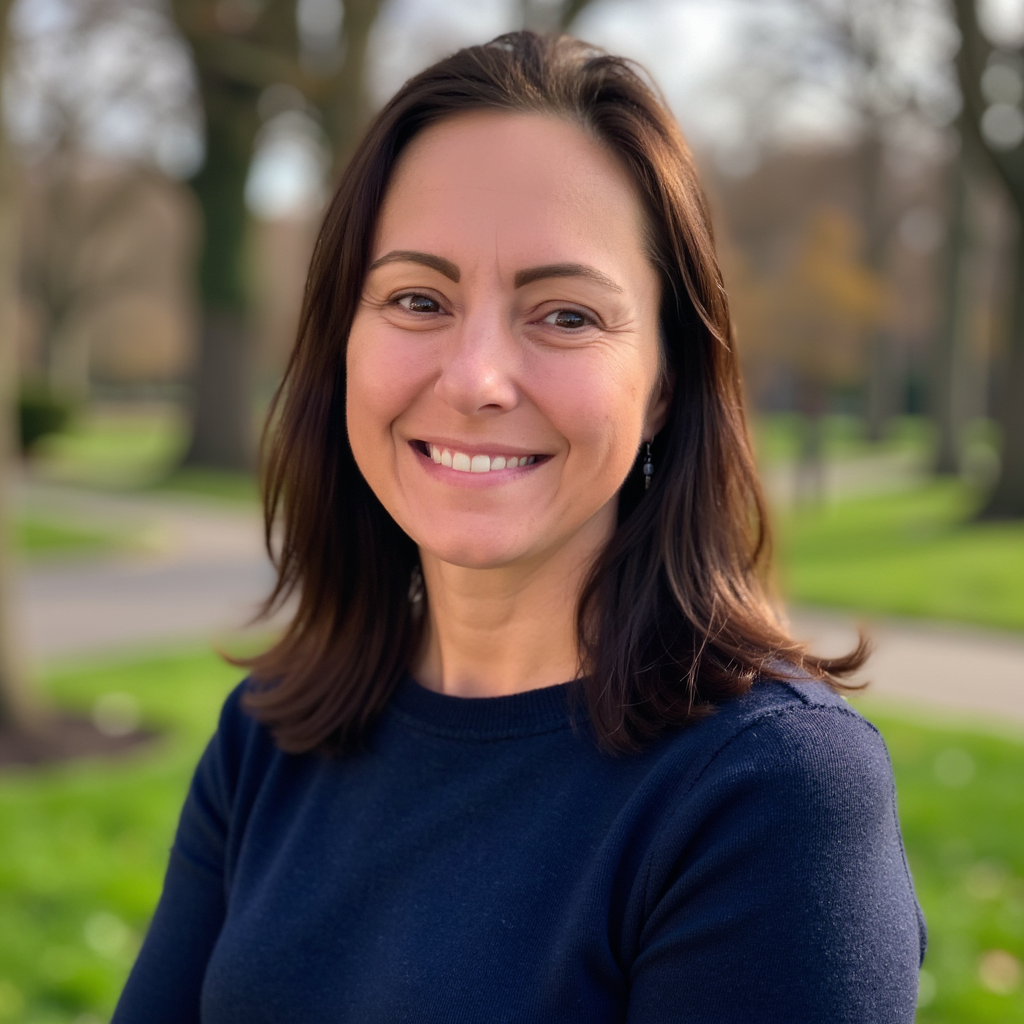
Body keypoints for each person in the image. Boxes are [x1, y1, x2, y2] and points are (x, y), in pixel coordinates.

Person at [113, 31, 925, 1023]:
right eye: (418, 299)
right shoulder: (268, 736)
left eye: (566, 315)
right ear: (343, 343)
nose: (476, 380)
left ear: (665, 384)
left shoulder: (769, 792)